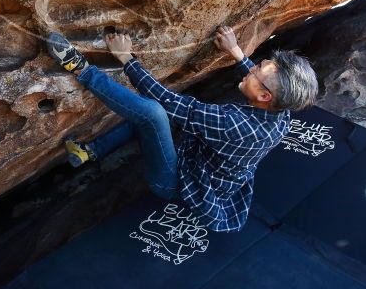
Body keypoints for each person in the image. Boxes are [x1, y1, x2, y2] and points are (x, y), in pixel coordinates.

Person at [45, 26, 318, 232]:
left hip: (176, 182)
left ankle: (79, 68)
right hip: (200, 164)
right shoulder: (282, 115)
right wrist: (237, 52)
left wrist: (126, 58)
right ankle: (88, 151)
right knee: (158, 123)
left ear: (265, 97)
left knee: (153, 115)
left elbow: (168, 101)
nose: (252, 68)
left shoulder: (233, 124)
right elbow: (264, 83)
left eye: (256, 68)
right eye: (259, 63)